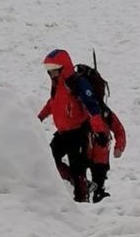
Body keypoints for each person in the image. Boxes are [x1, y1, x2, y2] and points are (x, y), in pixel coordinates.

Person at [38, 49, 108, 202]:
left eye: (53, 70)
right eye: (49, 71)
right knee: (49, 159)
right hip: (63, 133)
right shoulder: (57, 85)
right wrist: (39, 118)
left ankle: (81, 201)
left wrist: (99, 131)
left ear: (63, 68)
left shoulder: (76, 84)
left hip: (78, 133)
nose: (51, 74)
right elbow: (53, 104)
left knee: (78, 169)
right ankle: (79, 185)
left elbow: (92, 107)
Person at [87, 109, 126, 202]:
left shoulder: (105, 112)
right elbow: (119, 129)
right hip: (88, 151)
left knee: (98, 186)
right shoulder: (82, 108)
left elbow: (119, 130)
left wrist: (119, 146)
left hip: (99, 154)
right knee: (81, 183)